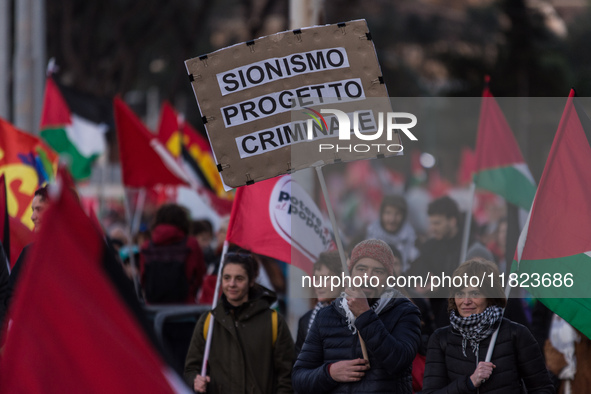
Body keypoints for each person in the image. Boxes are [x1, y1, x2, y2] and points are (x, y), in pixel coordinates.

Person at [292, 239, 421, 393]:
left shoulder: (405, 312)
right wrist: (330, 372)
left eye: (378, 272)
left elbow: (398, 362)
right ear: (349, 273)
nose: (368, 277)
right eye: (361, 269)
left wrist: (365, 315)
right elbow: (299, 379)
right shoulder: (325, 316)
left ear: (388, 278)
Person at [421, 259, 555, 393]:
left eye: (475, 293)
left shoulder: (516, 334)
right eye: (460, 293)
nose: (466, 301)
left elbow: (543, 388)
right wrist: (469, 382)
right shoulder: (440, 339)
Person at [184, 252, 295, 393]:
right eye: (226, 278)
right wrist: (195, 380)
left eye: (239, 278)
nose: (232, 284)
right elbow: (190, 369)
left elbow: (287, 375)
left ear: (251, 281)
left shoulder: (273, 321)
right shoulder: (208, 321)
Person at [409, 196, 493, 328]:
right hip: (436, 314)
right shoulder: (429, 246)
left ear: (452, 221)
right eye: (431, 223)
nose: (432, 228)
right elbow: (420, 271)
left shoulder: (471, 246)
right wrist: (422, 284)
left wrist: (440, 285)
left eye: (437, 223)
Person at [139, 203, 205, 304]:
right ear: (183, 221)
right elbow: (200, 275)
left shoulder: (146, 246)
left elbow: (143, 277)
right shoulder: (191, 244)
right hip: (185, 308)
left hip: (154, 309)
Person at [295, 250, 343, 355]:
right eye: (316, 278)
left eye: (325, 278)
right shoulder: (305, 321)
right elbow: (298, 368)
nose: (318, 285)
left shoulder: (356, 316)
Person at [366, 195, 419, 272]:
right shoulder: (368, 237)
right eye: (388, 213)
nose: (392, 219)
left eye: (397, 214)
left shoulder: (413, 240)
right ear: (381, 214)